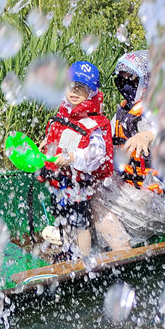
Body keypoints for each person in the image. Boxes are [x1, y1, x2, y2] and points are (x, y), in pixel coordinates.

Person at [89, 51, 165, 250]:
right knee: (89, 189)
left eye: (131, 81)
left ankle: (123, 256)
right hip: (144, 192)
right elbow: (108, 146)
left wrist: (147, 135)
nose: (125, 86)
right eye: (120, 81)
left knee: (94, 200)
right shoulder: (124, 112)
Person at [37, 60, 113, 258]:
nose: (75, 91)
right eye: (72, 85)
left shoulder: (93, 123)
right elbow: (58, 138)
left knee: (80, 222)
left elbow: (97, 155)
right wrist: (46, 145)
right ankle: (67, 250)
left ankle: (83, 258)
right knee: (61, 217)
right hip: (59, 179)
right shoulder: (64, 115)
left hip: (79, 184)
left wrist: (72, 157)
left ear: (92, 94)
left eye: (82, 88)